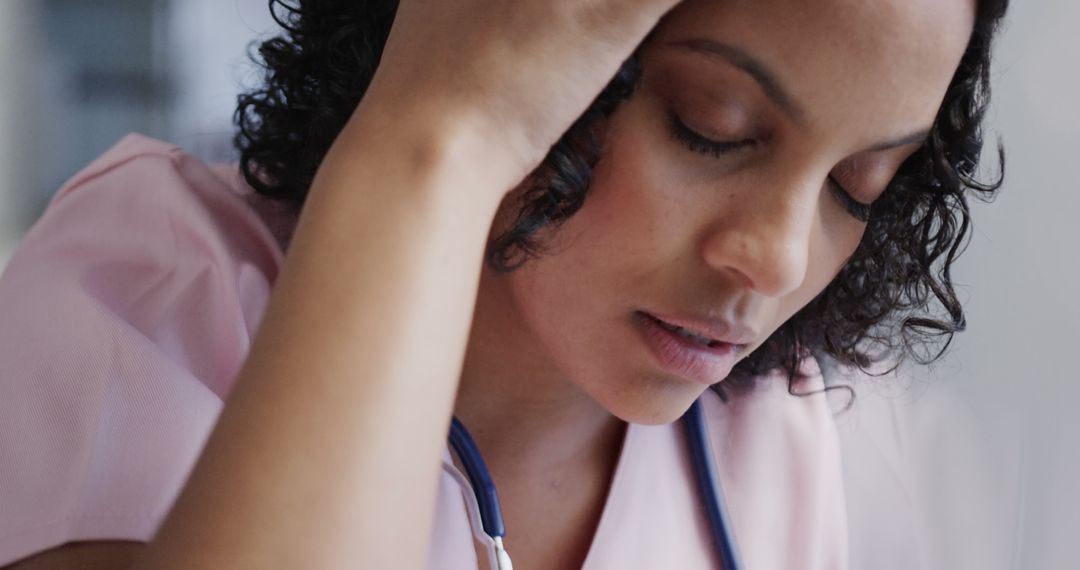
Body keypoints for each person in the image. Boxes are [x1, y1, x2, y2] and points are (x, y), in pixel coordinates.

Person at [0, 0, 1009, 568]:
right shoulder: (154, 285)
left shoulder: (778, 435)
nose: (781, 259)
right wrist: (435, 134)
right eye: (715, 127)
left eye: (857, 184)